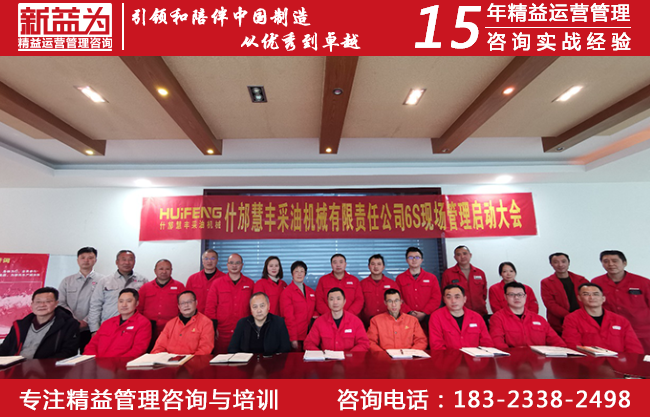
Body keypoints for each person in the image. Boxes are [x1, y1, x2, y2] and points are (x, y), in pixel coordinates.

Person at [592, 250, 650, 353]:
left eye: (615, 261)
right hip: (610, 331)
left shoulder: (643, 282)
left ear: (624, 263)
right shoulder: (596, 283)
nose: (610, 264)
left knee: (643, 360)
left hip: (641, 332)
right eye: (606, 261)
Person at [562, 283, 643, 354]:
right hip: (588, 364)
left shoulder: (620, 320)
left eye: (596, 294)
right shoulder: (572, 319)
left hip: (618, 363)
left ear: (603, 298)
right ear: (579, 298)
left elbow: (634, 348)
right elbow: (572, 346)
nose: (591, 297)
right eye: (586, 294)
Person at [0, 287, 79, 359]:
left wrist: (42, 365)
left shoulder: (69, 325)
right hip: (15, 366)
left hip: (47, 368)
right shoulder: (19, 325)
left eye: (48, 301)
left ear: (56, 304)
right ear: (32, 304)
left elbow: (68, 352)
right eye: (38, 302)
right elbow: (4, 349)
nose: (42, 305)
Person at [489, 282, 565, 349]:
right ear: (505, 297)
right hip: (512, 359)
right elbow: (498, 344)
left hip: (538, 359)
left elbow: (558, 343)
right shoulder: (497, 318)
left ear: (525, 296)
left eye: (520, 294)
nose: (516, 297)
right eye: (511, 294)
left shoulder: (539, 319)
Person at [88, 250, 148, 334]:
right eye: (123, 259)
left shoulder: (143, 281)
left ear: (134, 262)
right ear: (117, 262)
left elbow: (146, 306)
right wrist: (94, 329)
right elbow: (95, 305)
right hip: (108, 327)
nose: (127, 262)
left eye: (130, 259)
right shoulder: (105, 281)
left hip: (134, 327)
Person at [205, 253, 254, 352]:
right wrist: (213, 328)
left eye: (237, 263)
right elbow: (210, 307)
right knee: (221, 359)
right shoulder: (217, 283)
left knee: (243, 359)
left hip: (244, 331)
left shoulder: (250, 284)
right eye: (231, 263)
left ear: (242, 265)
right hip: (222, 332)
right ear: (227, 265)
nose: (234, 265)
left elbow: (254, 307)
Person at [58, 246, 103, 352]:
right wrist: (74, 321)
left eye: (90, 258)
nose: (86, 260)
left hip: (92, 328)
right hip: (69, 326)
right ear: (78, 260)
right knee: (67, 356)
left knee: (89, 356)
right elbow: (61, 303)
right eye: (83, 257)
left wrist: (86, 321)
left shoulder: (103, 280)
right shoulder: (67, 281)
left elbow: (103, 304)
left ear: (95, 260)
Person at [85, 289, 152, 357]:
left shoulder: (143, 323)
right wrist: (92, 361)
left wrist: (114, 362)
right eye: (121, 301)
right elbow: (91, 346)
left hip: (123, 363)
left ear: (137, 303)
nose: (124, 305)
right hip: (97, 362)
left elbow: (138, 351)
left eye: (129, 301)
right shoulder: (107, 323)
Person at [304, 287, 369, 352]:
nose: (335, 302)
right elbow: (309, 344)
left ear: (344, 301)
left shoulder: (356, 322)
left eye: (338, 299)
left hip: (348, 358)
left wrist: (348, 355)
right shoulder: (319, 322)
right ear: (328, 302)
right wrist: (321, 355)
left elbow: (364, 344)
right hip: (326, 358)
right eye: (331, 299)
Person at [429, 285, 493, 350]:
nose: (453, 301)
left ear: (464, 299)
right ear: (444, 300)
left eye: (457, 297)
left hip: (475, 356)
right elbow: (437, 346)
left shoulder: (477, 317)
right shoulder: (436, 317)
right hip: (448, 356)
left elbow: (487, 343)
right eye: (449, 297)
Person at [137, 259, 186, 344]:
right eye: (161, 269)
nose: (164, 271)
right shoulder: (145, 288)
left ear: (171, 270)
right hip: (149, 328)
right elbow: (139, 308)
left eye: (167, 269)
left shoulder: (179, 287)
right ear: (155, 271)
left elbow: (184, 308)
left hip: (172, 328)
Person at [151, 290, 214, 355]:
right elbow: (158, 347)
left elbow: (204, 350)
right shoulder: (170, 324)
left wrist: (189, 360)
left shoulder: (206, 323)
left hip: (193, 360)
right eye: (182, 303)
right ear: (178, 306)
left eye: (189, 302)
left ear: (196, 303)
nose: (186, 305)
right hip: (170, 360)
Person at [540, 252, 588, 335]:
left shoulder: (581, 280)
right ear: (551, 264)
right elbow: (550, 304)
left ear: (568, 262)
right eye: (556, 262)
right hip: (559, 323)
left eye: (563, 261)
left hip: (583, 320)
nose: (560, 265)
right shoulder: (546, 282)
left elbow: (589, 299)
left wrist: (581, 315)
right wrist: (570, 316)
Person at [396, 247, 441, 327]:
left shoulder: (431, 278)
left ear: (421, 260)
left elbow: (436, 298)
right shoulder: (400, 278)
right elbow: (398, 298)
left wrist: (424, 312)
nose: (414, 260)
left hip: (428, 317)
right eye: (410, 257)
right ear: (406, 260)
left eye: (417, 257)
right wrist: (410, 312)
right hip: (407, 317)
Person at [280, 261, 318, 351]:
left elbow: (315, 309)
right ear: (292, 274)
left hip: (310, 335)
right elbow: (288, 317)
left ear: (305, 273)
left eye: (302, 271)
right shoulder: (287, 292)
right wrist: (293, 338)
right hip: (297, 336)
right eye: (296, 271)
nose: (299, 274)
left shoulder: (311, 291)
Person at [441, 246, 487, 316]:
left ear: (470, 255)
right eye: (458, 255)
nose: (462, 257)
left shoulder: (480, 273)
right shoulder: (448, 274)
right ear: (455, 257)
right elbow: (445, 294)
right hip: (458, 314)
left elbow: (484, 294)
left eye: (465, 253)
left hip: (480, 312)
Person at [360, 254, 400, 326]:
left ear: (383, 267)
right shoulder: (362, 284)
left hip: (388, 323)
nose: (376, 266)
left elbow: (398, 302)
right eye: (373, 264)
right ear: (369, 266)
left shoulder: (391, 284)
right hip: (367, 323)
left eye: (379, 264)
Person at [185, 249, 226, 314]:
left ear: (217, 260)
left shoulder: (225, 279)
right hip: (197, 316)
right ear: (202, 261)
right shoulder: (192, 279)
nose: (209, 261)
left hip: (218, 317)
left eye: (212, 258)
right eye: (206, 258)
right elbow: (187, 300)